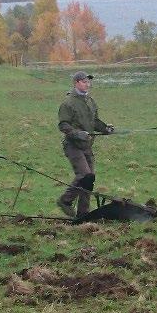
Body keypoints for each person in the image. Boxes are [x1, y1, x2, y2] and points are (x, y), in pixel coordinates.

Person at [56, 71, 114, 217]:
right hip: (73, 145)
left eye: (88, 82)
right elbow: (63, 125)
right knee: (84, 175)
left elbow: (94, 121)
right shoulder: (68, 103)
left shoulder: (90, 101)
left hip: (87, 146)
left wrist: (106, 128)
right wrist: (77, 133)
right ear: (76, 83)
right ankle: (65, 200)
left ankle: (83, 214)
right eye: (84, 81)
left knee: (90, 179)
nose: (87, 84)